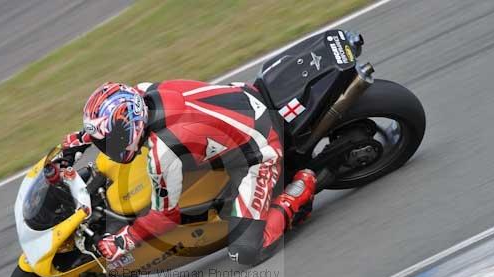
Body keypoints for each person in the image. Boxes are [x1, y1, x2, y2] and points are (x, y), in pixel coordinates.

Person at [61, 81, 316, 266]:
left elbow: (166, 216)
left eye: (108, 141)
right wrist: (79, 140)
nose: (106, 147)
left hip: (261, 152)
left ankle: (297, 192)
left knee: (245, 251)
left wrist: (124, 239)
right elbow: (113, 121)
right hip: (243, 96)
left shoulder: (165, 153)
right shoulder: (145, 92)